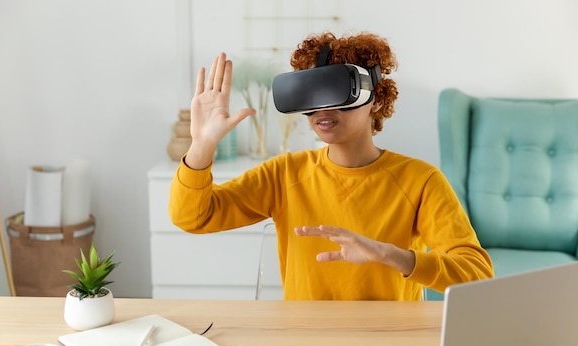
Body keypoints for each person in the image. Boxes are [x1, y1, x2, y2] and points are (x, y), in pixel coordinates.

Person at [169, 32, 493, 300]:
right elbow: (193, 217)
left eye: (337, 91)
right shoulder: (284, 175)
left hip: (389, 342)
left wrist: (388, 254)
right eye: (312, 94)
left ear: (377, 99)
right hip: (308, 341)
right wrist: (202, 145)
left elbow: (477, 274)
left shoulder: (420, 181)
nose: (324, 107)